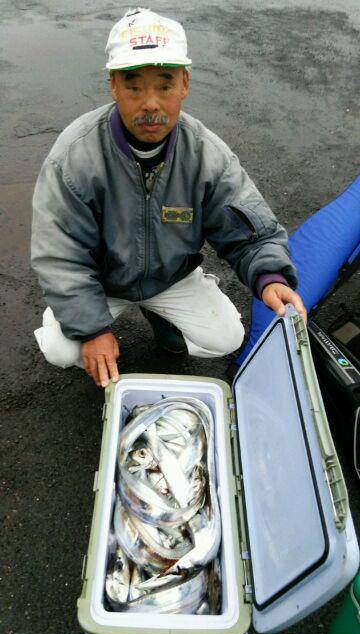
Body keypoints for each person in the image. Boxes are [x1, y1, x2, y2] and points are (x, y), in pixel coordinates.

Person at [31, 7, 306, 388]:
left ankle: (160, 313)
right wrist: (92, 329)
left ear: (184, 84)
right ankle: (81, 322)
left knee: (226, 337)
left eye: (165, 85)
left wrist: (270, 275)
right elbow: (59, 254)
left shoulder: (207, 155)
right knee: (62, 349)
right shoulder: (74, 157)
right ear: (113, 86)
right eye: (133, 86)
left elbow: (250, 231)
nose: (150, 104)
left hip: (171, 278)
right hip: (102, 282)